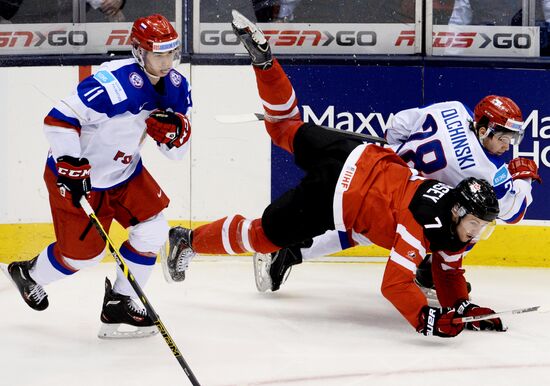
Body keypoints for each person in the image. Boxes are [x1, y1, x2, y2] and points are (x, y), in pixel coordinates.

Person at [162, 10, 506, 337]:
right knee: (262, 236)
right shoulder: (421, 226)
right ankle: (187, 240)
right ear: (458, 213)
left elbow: (449, 268)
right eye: (476, 224)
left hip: (355, 152)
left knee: (284, 126)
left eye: (481, 227)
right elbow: (395, 284)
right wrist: (426, 319)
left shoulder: (453, 207)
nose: (477, 233)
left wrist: (463, 307)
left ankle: (266, 65)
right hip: (336, 194)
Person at [0, 14, 192, 339]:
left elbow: (175, 154)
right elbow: (57, 120)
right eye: (158, 54)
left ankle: (120, 302)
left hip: (126, 173)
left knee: (153, 231)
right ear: (139, 51)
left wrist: (178, 135)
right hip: (79, 178)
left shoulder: (176, 86)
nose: (166, 62)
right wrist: (70, 163)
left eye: (170, 53)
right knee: (84, 258)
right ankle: (29, 273)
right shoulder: (112, 84)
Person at [254, 93, 541, 296]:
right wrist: (524, 177)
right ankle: (431, 272)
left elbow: (399, 125)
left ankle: (291, 249)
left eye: (513, 138)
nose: (508, 145)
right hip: (406, 202)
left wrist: (401, 154)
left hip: (384, 171)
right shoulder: (483, 172)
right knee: (469, 226)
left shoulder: (452, 108)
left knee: (357, 227)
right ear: (482, 129)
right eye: (503, 137)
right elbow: (511, 212)